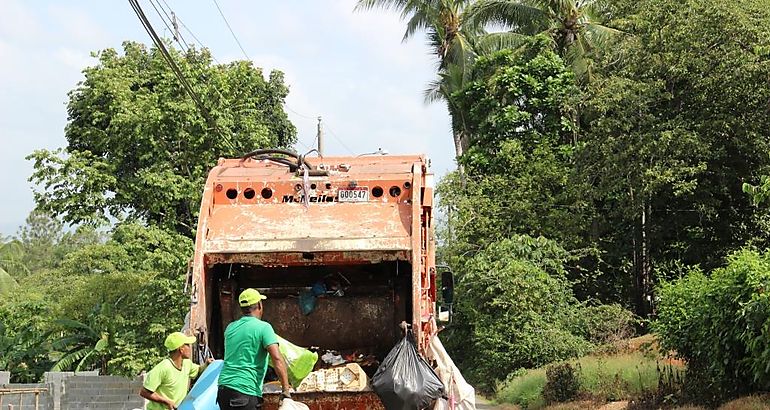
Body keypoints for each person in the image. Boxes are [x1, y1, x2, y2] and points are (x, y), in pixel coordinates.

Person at [217, 288, 292, 409]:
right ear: (259, 305)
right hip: (245, 392)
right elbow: (277, 359)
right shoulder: (264, 328)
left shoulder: (230, 328)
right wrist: (285, 390)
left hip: (223, 391)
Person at [140, 331, 213, 410]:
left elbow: (198, 371)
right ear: (181, 349)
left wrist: (206, 364)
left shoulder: (187, 364)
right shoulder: (163, 368)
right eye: (187, 345)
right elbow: (144, 392)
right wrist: (166, 401)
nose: (190, 348)